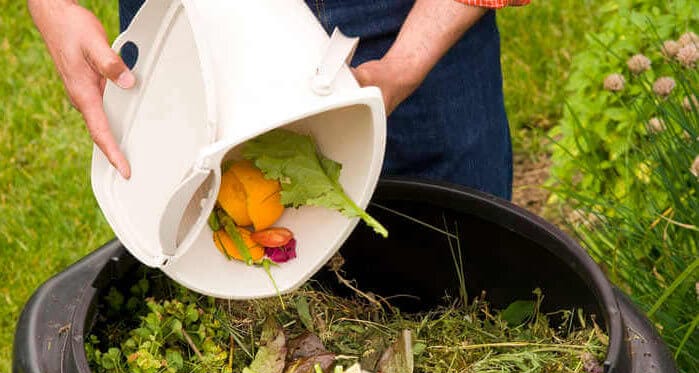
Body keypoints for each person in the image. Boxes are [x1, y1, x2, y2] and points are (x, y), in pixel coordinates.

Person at [29, 0, 528, 199]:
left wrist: (403, 66)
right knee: (214, 290)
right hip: (192, 18)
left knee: (460, 281)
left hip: (397, 14)